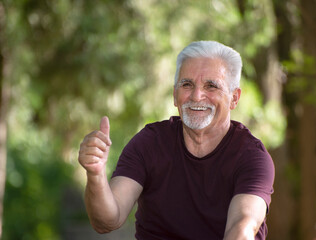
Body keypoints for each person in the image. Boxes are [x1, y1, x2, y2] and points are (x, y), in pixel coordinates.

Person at [78, 41, 275, 240]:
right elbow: (107, 220)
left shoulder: (252, 157)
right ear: (175, 95)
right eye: (187, 84)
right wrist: (95, 174)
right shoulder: (149, 143)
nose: (197, 96)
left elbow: (241, 228)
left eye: (211, 86)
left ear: (234, 98)